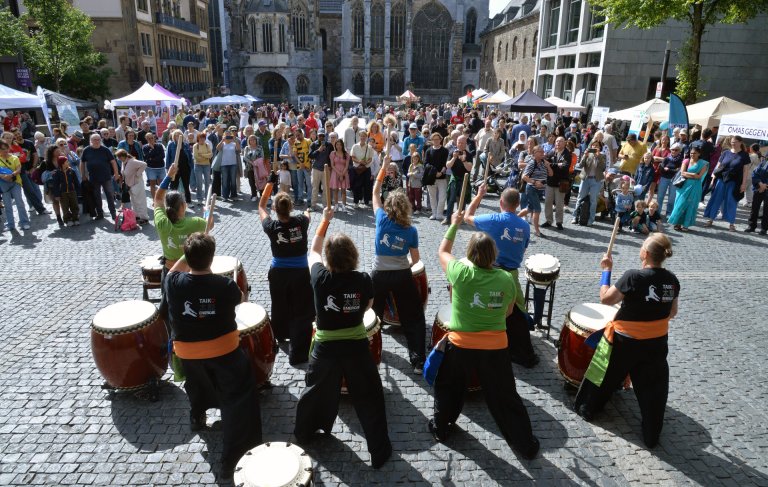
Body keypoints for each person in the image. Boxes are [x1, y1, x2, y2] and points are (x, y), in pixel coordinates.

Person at [431, 212, 539, 459]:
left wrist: (455, 224)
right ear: (494, 255)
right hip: (496, 347)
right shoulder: (505, 278)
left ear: (469, 254)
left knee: (449, 388)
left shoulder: (459, 272)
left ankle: (441, 428)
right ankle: (524, 444)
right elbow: (509, 311)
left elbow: (442, 251)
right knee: (506, 397)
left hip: (461, 345)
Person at [293, 208, 392, 469]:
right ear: (353, 256)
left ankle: (305, 432)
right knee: (370, 397)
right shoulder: (362, 279)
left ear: (329, 258)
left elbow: (312, 250)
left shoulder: (320, 277)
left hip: (325, 349)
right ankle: (379, 452)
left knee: (315, 392)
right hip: (357, 348)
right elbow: (369, 305)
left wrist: (325, 219)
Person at [164, 232, 261, 479]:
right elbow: (242, 301)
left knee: (196, 381)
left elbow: (176, 268)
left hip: (187, 352)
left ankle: (197, 414)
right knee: (238, 395)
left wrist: (193, 249)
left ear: (187, 256)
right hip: (224, 351)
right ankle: (233, 458)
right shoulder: (225, 286)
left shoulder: (173, 283)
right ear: (212, 257)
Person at [574, 234, 679, 449]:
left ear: (646, 254)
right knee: (654, 390)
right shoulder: (672, 280)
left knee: (604, 377)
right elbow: (672, 312)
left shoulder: (633, 277)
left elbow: (605, 298)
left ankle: (588, 408)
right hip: (656, 343)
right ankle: (652, 435)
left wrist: (606, 269)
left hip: (625, 343)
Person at [465, 185, 538, 367]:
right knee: (516, 310)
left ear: (500, 203)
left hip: (491, 272)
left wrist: (479, 195)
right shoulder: (525, 226)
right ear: (518, 203)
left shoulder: (492, 219)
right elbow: (524, 247)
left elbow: (467, 217)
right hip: (511, 275)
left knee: (489, 306)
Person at [370, 165, 427, 372]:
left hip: (379, 275)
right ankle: (418, 360)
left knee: (372, 316)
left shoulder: (381, 219)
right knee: (413, 318)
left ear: (388, 207)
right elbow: (416, 260)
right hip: (402, 275)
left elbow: (375, 192)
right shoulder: (411, 230)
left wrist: (382, 171)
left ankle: (368, 354)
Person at [257, 186, 314, 365]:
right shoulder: (300, 222)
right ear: (291, 207)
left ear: (275, 209)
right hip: (301, 273)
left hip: (279, 273)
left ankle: (280, 334)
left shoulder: (272, 226)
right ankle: (300, 340)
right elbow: (308, 215)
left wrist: (269, 186)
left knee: (279, 304)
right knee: (301, 307)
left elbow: (260, 207)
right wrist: (307, 209)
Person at [704, 135, 751, 231]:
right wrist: (713, 177)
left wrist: (743, 184)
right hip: (721, 180)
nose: (733, 144)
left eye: (735, 142)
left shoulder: (744, 155)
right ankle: (710, 219)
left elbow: (745, 171)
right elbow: (719, 165)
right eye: (732, 142)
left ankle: (731, 223)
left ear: (740, 142)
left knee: (731, 202)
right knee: (716, 199)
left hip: (734, 182)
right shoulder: (725, 153)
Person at [81, 133, 120, 220]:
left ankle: (113, 213)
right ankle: (100, 213)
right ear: (91, 141)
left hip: (106, 177)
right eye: (95, 140)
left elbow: (113, 162)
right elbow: (82, 163)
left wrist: (116, 173)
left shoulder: (105, 150)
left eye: (98, 139)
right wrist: (83, 175)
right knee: (96, 196)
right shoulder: (86, 150)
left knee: (110, 195)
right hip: (93, 178)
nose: (97, 141)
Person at [667, 147, 708, 232]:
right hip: (684, 185)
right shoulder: (686, 161)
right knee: (680, 203)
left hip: (695, 187)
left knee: (691, 205)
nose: (692, 155)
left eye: (695, 153)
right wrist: (693, 174)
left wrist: (689, 174)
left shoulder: (704, 164)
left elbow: (699, 176)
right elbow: (682, 173)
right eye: (691, 153)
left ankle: (686, 225)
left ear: (699, 154)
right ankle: (677, 223)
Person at [573, 139, 606, 226]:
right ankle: (575, 216)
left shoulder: (602, 156)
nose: (595, 147)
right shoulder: (587, 154)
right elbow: (580, 165)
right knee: (580, 197)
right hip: (585, 179)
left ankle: (591, 220)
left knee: (593, 200)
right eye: (594, 145)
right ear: (591, 146)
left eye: (597, 146)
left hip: (596, 180)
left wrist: (598, 156)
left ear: (600, 148)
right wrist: (584, 155)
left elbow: (603, 168)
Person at [0, 140, 32, 231]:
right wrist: (3, 176)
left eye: (6, 148)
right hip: (4, 185)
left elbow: (19, 169)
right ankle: (10, 225)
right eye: (2, 149)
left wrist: (11, 175)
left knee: (20, 203)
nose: (5, 150)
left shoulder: (14, 158)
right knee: (7, 205)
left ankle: (24, 222)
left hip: (15, 183)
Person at [542, 136, 570, 230]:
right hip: (550, 181)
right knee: (548, 202)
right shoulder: (552, 151)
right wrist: (557, 165)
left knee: (559, 204)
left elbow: (565, 167)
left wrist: (551, 165)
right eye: (557, 141)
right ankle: (548, 220)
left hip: (561, 183)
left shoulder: (567, 154)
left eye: (560, 141)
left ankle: (559, 222)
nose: (558, 143)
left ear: (564, 143)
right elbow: (545, 161)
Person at [115, 148, 150, 224]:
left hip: (137, 184)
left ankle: (144, 218)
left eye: (119, 157)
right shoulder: (124, 162)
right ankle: (137, 216)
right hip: (130, 185)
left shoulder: (132, 161)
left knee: (140, 201)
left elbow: (144, 164)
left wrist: (138, 174)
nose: (119, 159)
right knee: (134, 202)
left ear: (123, 156)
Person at [522, 146, 548, 236]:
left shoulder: (543, 163)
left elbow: (551, 174)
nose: (542, 153)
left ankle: (513, 218)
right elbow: (524, 177)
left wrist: (548, 166)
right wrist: (535, 182)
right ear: (534, 153)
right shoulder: (532, 163)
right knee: (537, 209)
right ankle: (537, 231)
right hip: (532, 189)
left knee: (529, 209)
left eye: (542, 151)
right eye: (539, 151)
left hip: (539, 190)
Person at [424, 132, 449, 221]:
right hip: (431, 177)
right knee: (432, 196)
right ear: (432, 140)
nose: (436, 141)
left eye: (437, 139)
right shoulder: (428, 150)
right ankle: (434, 213)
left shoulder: (445, 150)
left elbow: (445, 163)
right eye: (434, 139)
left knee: (442, 196)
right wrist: (434, 172)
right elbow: (426, 163)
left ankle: (439, 214)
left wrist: (441, 173)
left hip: (442, 177)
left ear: (440, 140)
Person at [50, 155, 80, 227]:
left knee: (74, 205)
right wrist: (57, 195)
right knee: (65, 207)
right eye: (66, 161)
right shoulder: (57, 173)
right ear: (62, 163)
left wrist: (79, 191)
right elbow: (56, 185)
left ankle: (75, 219)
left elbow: (76, 182)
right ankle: (68, 220)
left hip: (72, 191)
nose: (68, 162)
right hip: (63, 193)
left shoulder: (72, 171)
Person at [745, 151, 768, 234]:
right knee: (754, 208)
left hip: (765, 188)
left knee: (766, 210)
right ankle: (751, 226)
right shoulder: (763, 163)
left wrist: (765, 186)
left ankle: (764, 228)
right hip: (759, 188)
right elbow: (755, 173)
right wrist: (759, 184)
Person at [309, 129, 332, 210]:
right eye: (320, 136)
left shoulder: (329, 145)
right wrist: (318, 150)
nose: (321, 137)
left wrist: (330, 166)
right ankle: (313, 205)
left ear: (325, 136)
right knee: (315, 188)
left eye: (323, 135)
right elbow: (310, 156)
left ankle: (325, 205)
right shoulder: (313, 144)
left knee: (326, 188)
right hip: (316, 169)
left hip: (326, 169)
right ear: (317, 136)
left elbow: (331, 156)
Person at [350, 130, 373, 208]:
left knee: (367, 186)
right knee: (356, 186)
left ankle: (366, 201)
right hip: (357, 169)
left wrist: (366, 162)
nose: (362, 137)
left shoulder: (369, 147)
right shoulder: (355, 146)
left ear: (366, 137)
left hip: (366, 168)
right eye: (361, 136)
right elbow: (352, 157)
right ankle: (356, 202)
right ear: (359, 136)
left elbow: (370, 158)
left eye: (364, 136)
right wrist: (359, 161)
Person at [217, 128, 241, 202]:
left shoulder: (234, 143)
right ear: (224, 136)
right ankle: (225, 196)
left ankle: (233, 195)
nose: (227, 136)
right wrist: (222, 140)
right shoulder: (223, 143)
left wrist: (235, 140)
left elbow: (239, 150)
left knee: (233, 180)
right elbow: (217, 148)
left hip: (233, 164)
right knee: (224, 180)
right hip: (224, 164)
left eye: (229, 135)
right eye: (226, 135)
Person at [329, 138, 350, 212]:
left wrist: (342, 174)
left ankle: (344, 205)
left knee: (343, 190)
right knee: (335, 190)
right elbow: (332, 165)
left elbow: (347, 166)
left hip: (344, 173)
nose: (339, 146)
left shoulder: (346, 154)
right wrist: (339, 173)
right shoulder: (332, 153)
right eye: (337, 144)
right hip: (335, 173)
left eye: (340, 144)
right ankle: (336, 205)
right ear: (335, 145)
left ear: (342, 145)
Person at [143, 133, 166, 201]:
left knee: (162, 184)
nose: (150, 140)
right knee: (152, 185)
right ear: (146, 139)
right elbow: (146, 157)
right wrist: (153, 150)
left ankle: (162, 199)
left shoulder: (159, 146)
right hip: (151, 168)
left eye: (152, 138)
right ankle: (154, 200)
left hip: (161, 168)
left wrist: (152, 158)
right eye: (148, 138)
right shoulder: (145, 147)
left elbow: (162, 156)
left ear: (154, 138)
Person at [192, 132, 213, 206]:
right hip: (198, 166)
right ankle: (199, 199)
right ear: (198, 138)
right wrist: (206, 156)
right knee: (199, 183)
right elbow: (196, 157)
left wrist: (202, 155)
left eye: (203, 138)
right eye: (201, 138)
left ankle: (207, 198)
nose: (202, 139)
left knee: (207, 182)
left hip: (207, 166)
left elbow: (211, 155)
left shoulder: (207, 145)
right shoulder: (195, 146)